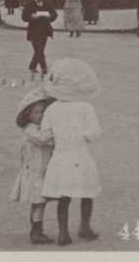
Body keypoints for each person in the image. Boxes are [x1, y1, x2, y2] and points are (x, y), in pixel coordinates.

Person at [40, 58, 102, 246]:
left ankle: (63, 233)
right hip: (81, 155)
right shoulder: (86, 108)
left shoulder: (52, 109)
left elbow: (45, 134)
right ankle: (84, 226)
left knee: (63, 197)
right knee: (87, 193)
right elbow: (94, 133)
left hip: (61, 156)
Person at [10, 88, 57, 245]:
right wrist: (53, 131)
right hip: (35, 172)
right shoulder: (30, 130)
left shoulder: (38, 129)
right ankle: (36, 232)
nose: (41, 115)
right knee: (38, 202)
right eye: (37, 112)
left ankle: (37, 230)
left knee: (39, 202)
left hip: (41, 171)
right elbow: (43, 140)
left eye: (43, 111)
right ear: (28, 115)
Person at [24, 0, 57, 78]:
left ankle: (32, 66)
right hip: (33, 31)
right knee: (38, 49)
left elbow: (54, 15)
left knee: (40, 50)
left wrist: (49, 16)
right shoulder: (30, 5)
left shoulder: (47, 4)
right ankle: (44, 67)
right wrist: (31, 16)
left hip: (45, 31)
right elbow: (24, 17)